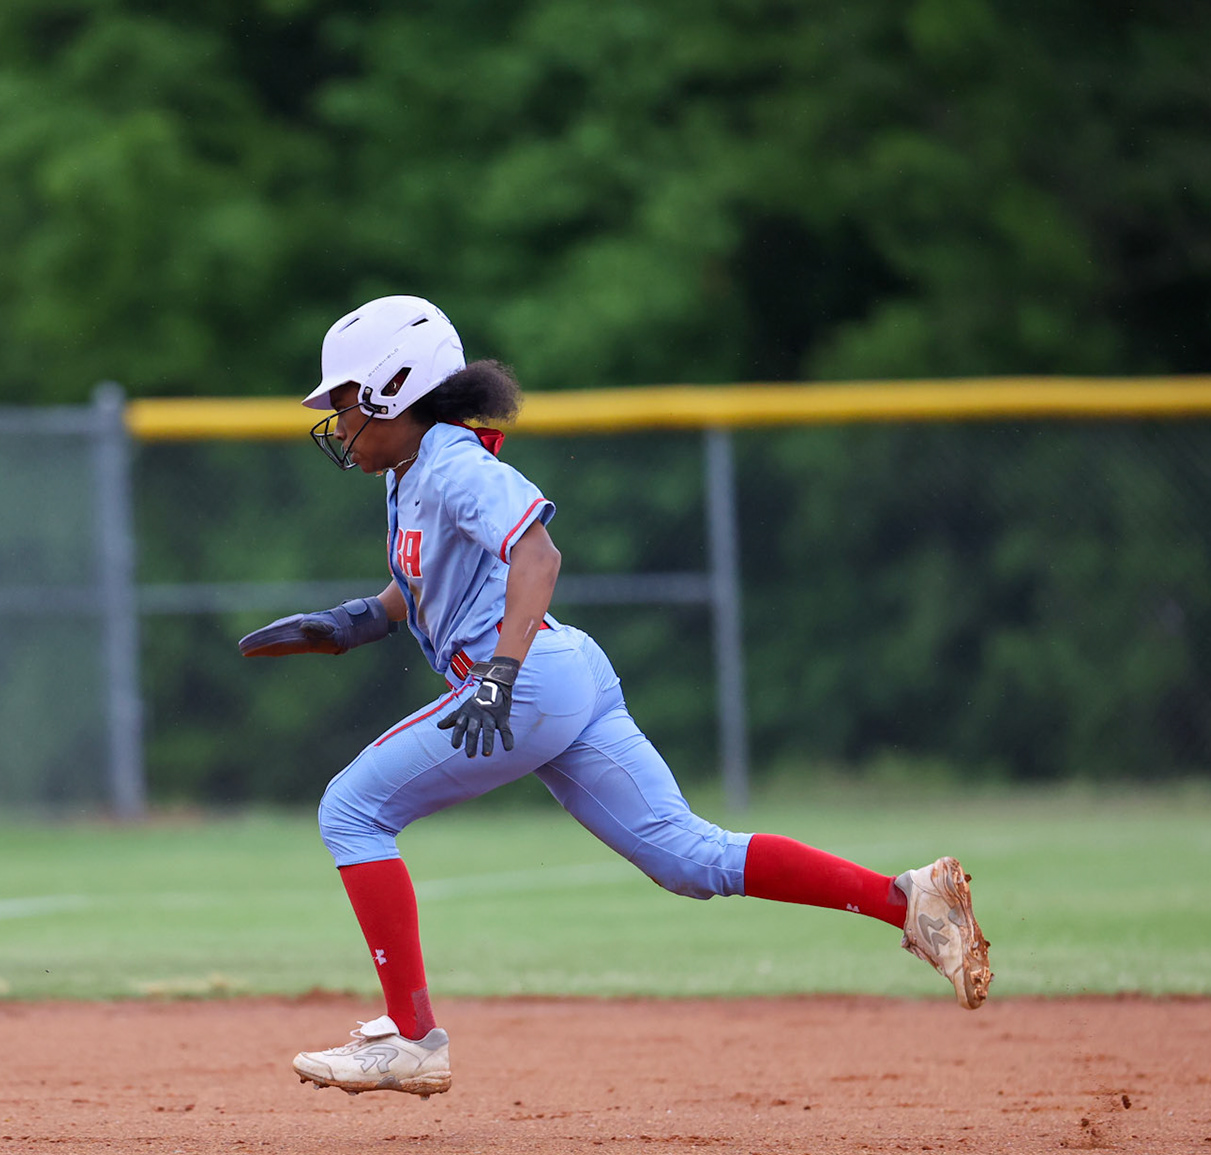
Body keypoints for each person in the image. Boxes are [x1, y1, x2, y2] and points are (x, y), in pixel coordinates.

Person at [239, 296, 992, 1097]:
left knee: (351, 812)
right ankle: (908, 901)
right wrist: (357, 621)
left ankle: (416, 1039)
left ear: (398, 386)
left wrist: (498, 673)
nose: (338, 419)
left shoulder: (454, 463)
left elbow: (538, 555)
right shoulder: (413, 472)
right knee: (688, 857)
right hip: (566, 675)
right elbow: (423, 583)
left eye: (348, 400)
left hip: (526, 679)